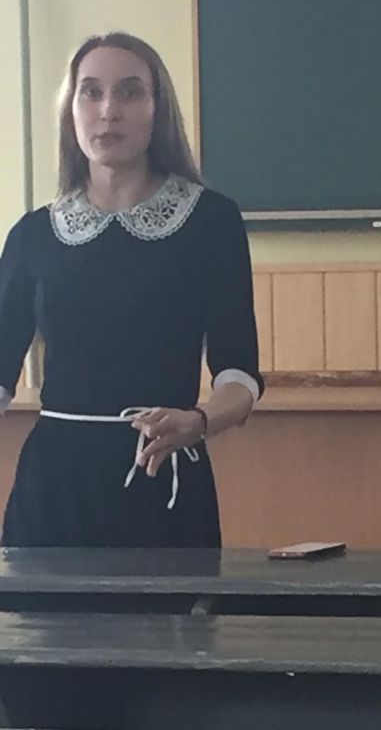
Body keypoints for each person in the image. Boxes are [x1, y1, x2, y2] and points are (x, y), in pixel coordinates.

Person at [0, 32, 263, 548]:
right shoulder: (32, 235)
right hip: (53, 492)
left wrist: (199, 421)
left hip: (161, 480)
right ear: (71, 110)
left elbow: (240, 375)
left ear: (157, 110)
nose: (108, 111)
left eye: (128, 91)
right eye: (91, 92)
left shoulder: (210, 222)